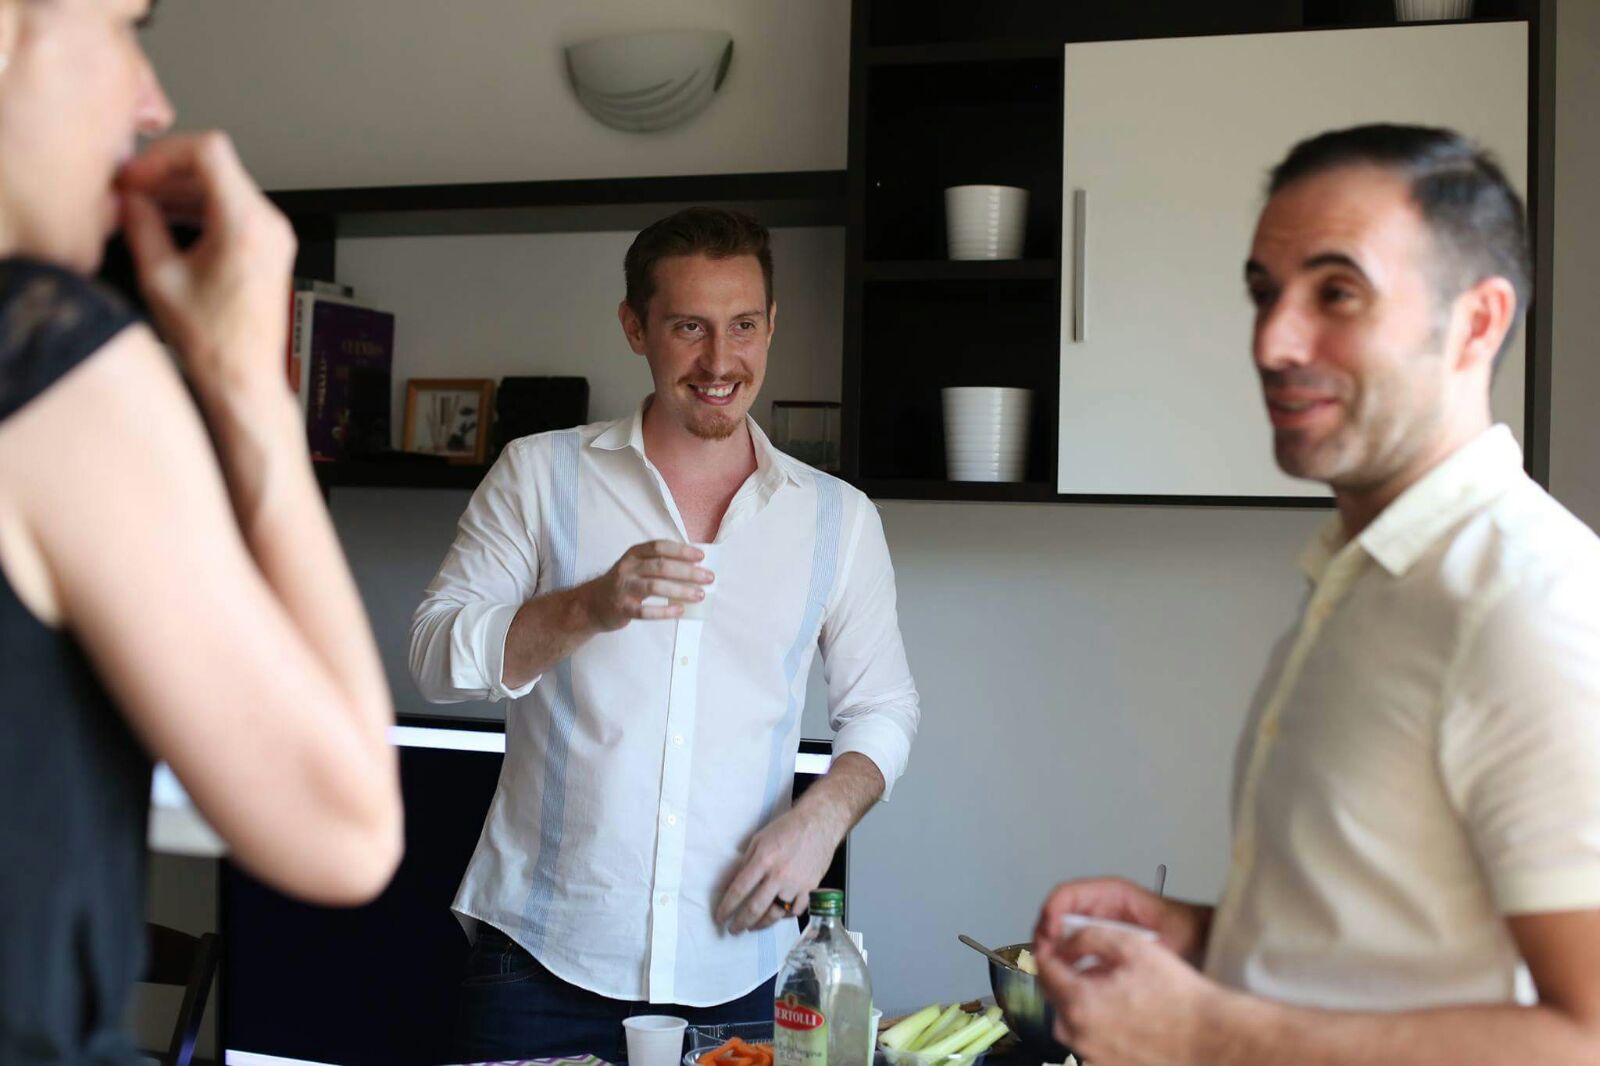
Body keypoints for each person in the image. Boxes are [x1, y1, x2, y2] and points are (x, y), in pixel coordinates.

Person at [1031, 124, 1600, 1065]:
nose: (1272, 340)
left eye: (1337, 293)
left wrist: (1206, 1032)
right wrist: (1211, 939)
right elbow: (1395, 942)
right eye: (1265, 292)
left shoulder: (1528, 603)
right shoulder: (1362, 576)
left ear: (1477, 322)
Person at [410, 206, 920, 1059]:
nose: (720, 362)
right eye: (689, 327)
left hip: (746, 971)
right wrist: (588, 607)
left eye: (743, 325)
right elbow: (434, 655)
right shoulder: (539, 473)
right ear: (634, 327)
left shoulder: (839, 518)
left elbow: (886, 707)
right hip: (540, 964)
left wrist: (823, 817)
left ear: (771, 325)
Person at [0, 1, 403, 1060]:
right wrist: (249, 385)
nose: (152, 102)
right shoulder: (47, 361)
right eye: (122, 27)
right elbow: (345, 831)